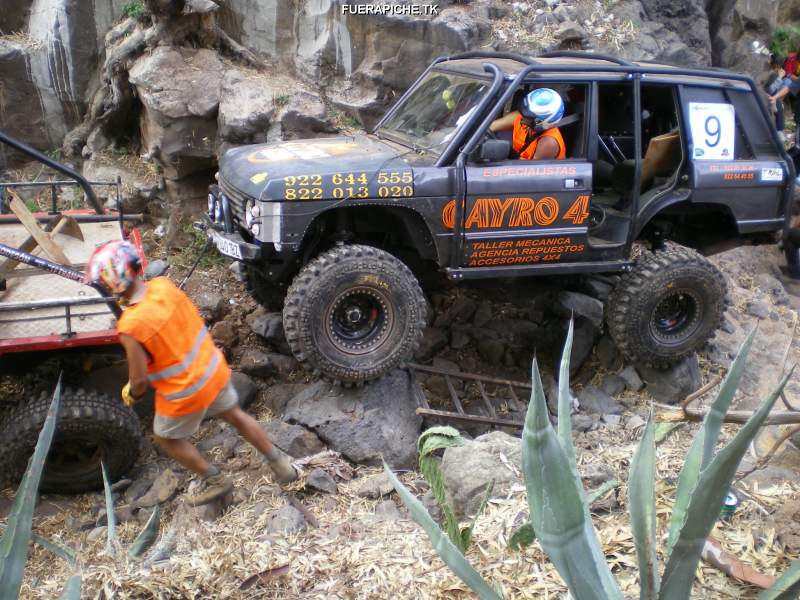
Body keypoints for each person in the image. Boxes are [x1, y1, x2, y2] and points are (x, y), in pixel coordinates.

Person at [85, 241, 297, 507]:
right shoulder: (163, 286)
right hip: (212, 370)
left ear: (112, 283)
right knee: (236, 416)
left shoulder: (130, 326)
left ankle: (215, 479)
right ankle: (280, 463)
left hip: (184, 392)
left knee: (164, 438)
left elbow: (138, 381)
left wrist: (132, 393)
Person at [489, 87, 566, 160]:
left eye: (527, 118)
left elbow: (530, 170)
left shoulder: (549, 143)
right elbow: (492, 126)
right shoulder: (523, 117)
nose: (521, 119)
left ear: (540, 123)